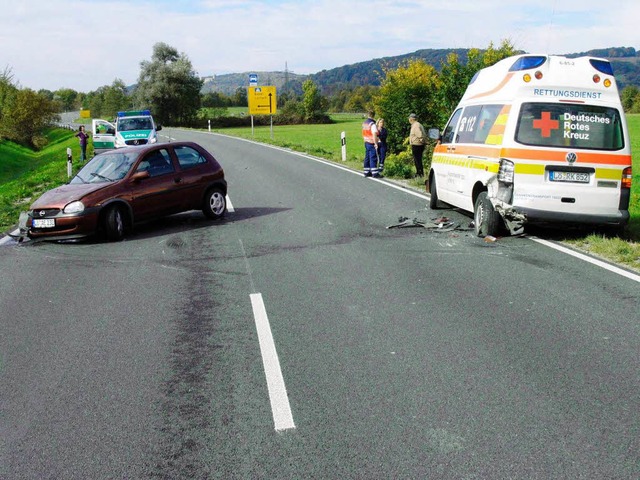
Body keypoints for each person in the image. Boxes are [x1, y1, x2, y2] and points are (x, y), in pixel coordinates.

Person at [362, 111, 380, 178]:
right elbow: (374, 134)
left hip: (366, 142)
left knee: (367, 157)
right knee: (373, 157)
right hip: (371, 142)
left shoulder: (364, 123)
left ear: (368, 115)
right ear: (373, 115)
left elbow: (364, 132)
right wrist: (376, 143)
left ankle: (366, 172)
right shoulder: (372, 124)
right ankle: (374, 173)